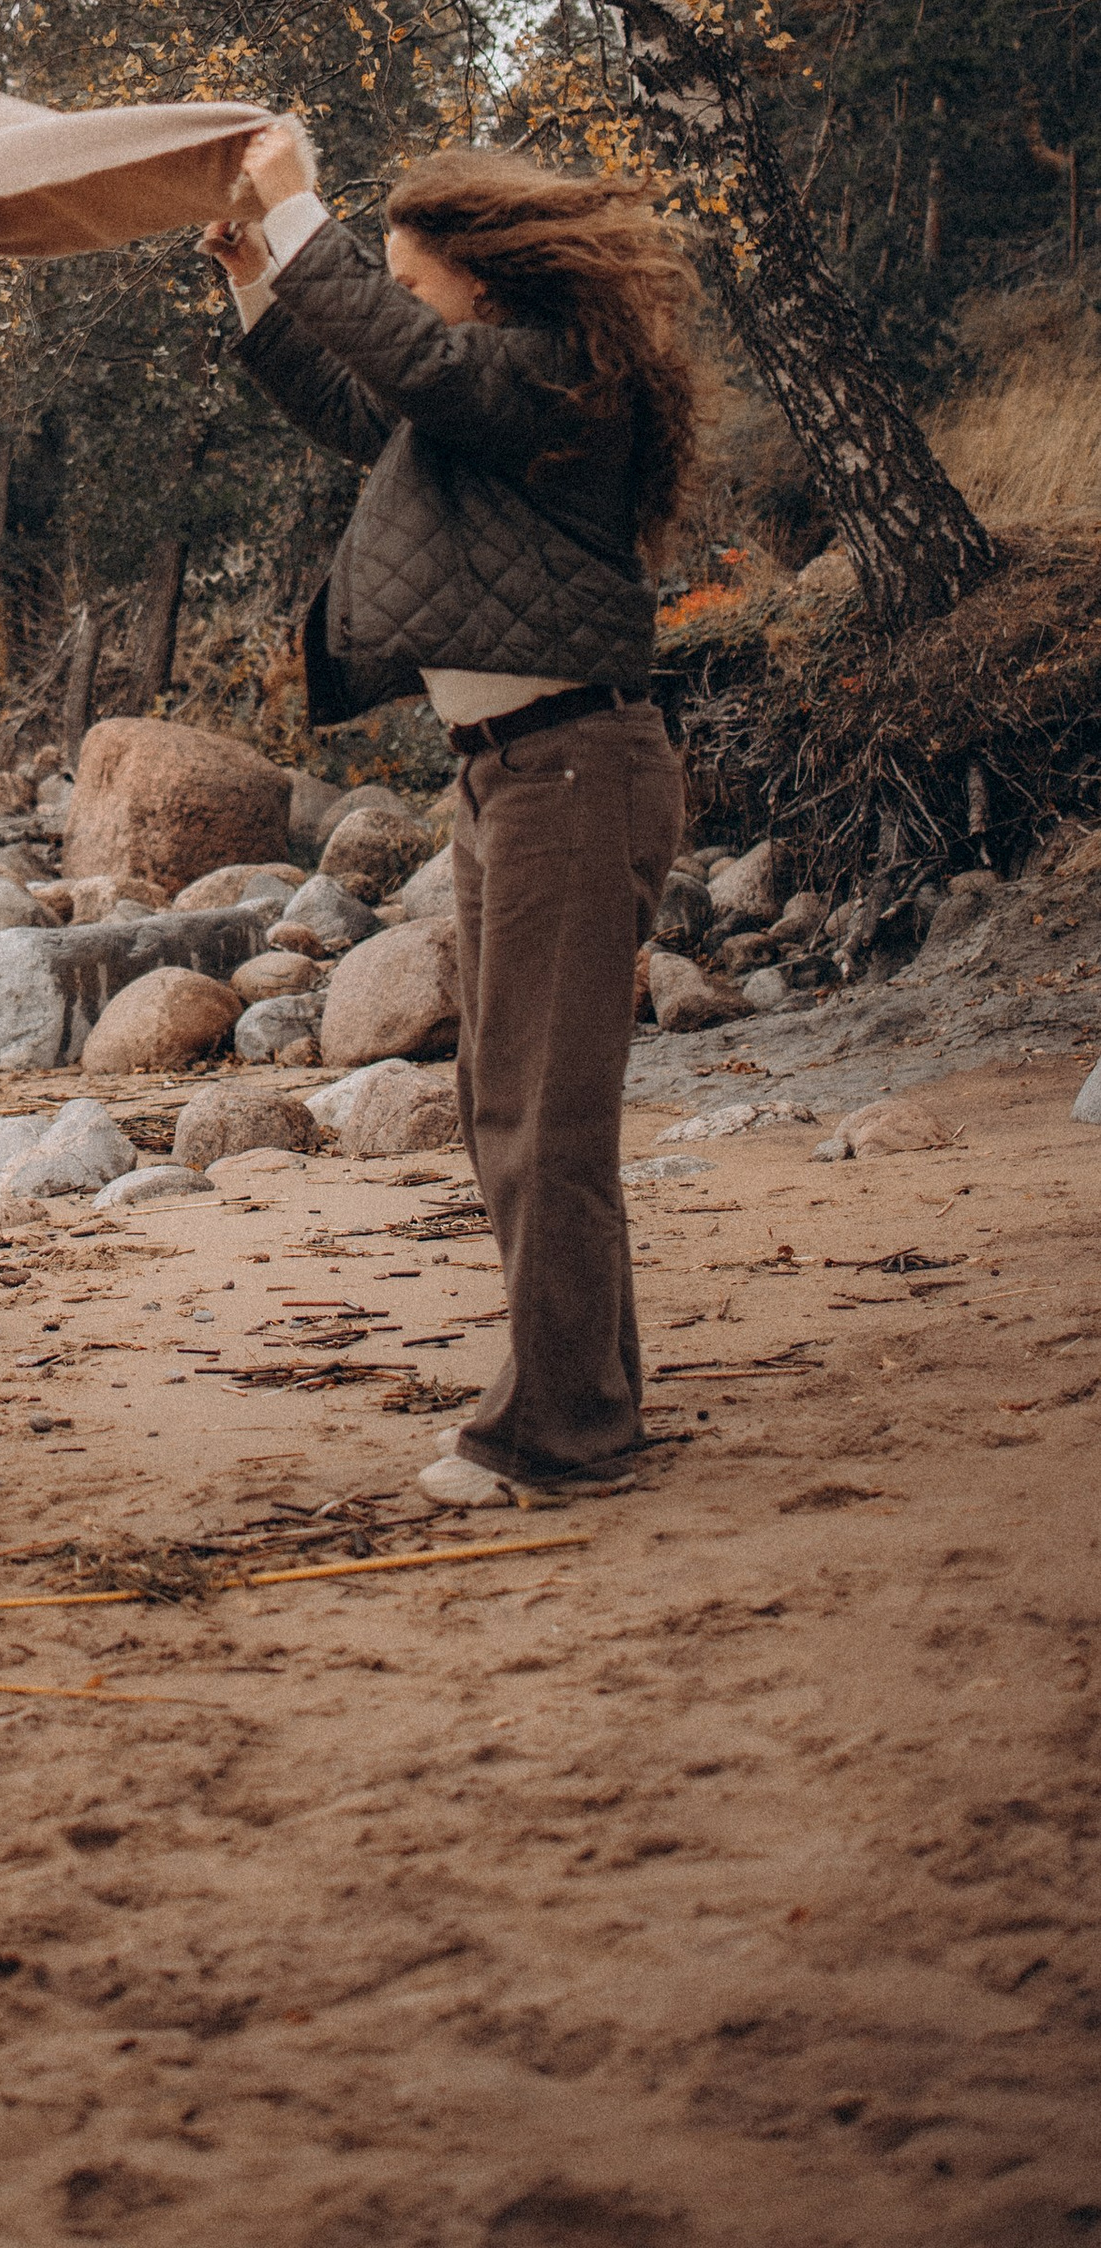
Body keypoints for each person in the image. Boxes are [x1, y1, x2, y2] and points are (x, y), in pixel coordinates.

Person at [205, 122, 699, 1506]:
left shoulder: (552, 380)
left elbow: (413, 362)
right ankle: (590, 1398)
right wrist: (254, 273)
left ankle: (561, 1432)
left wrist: (301, 212)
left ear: (480, 286)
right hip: (508, 777)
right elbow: (362, 398)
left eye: (414, 283)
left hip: (572, 772)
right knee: (506, 1105)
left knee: (544, 1117)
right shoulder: (477, 404)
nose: (405, 306)